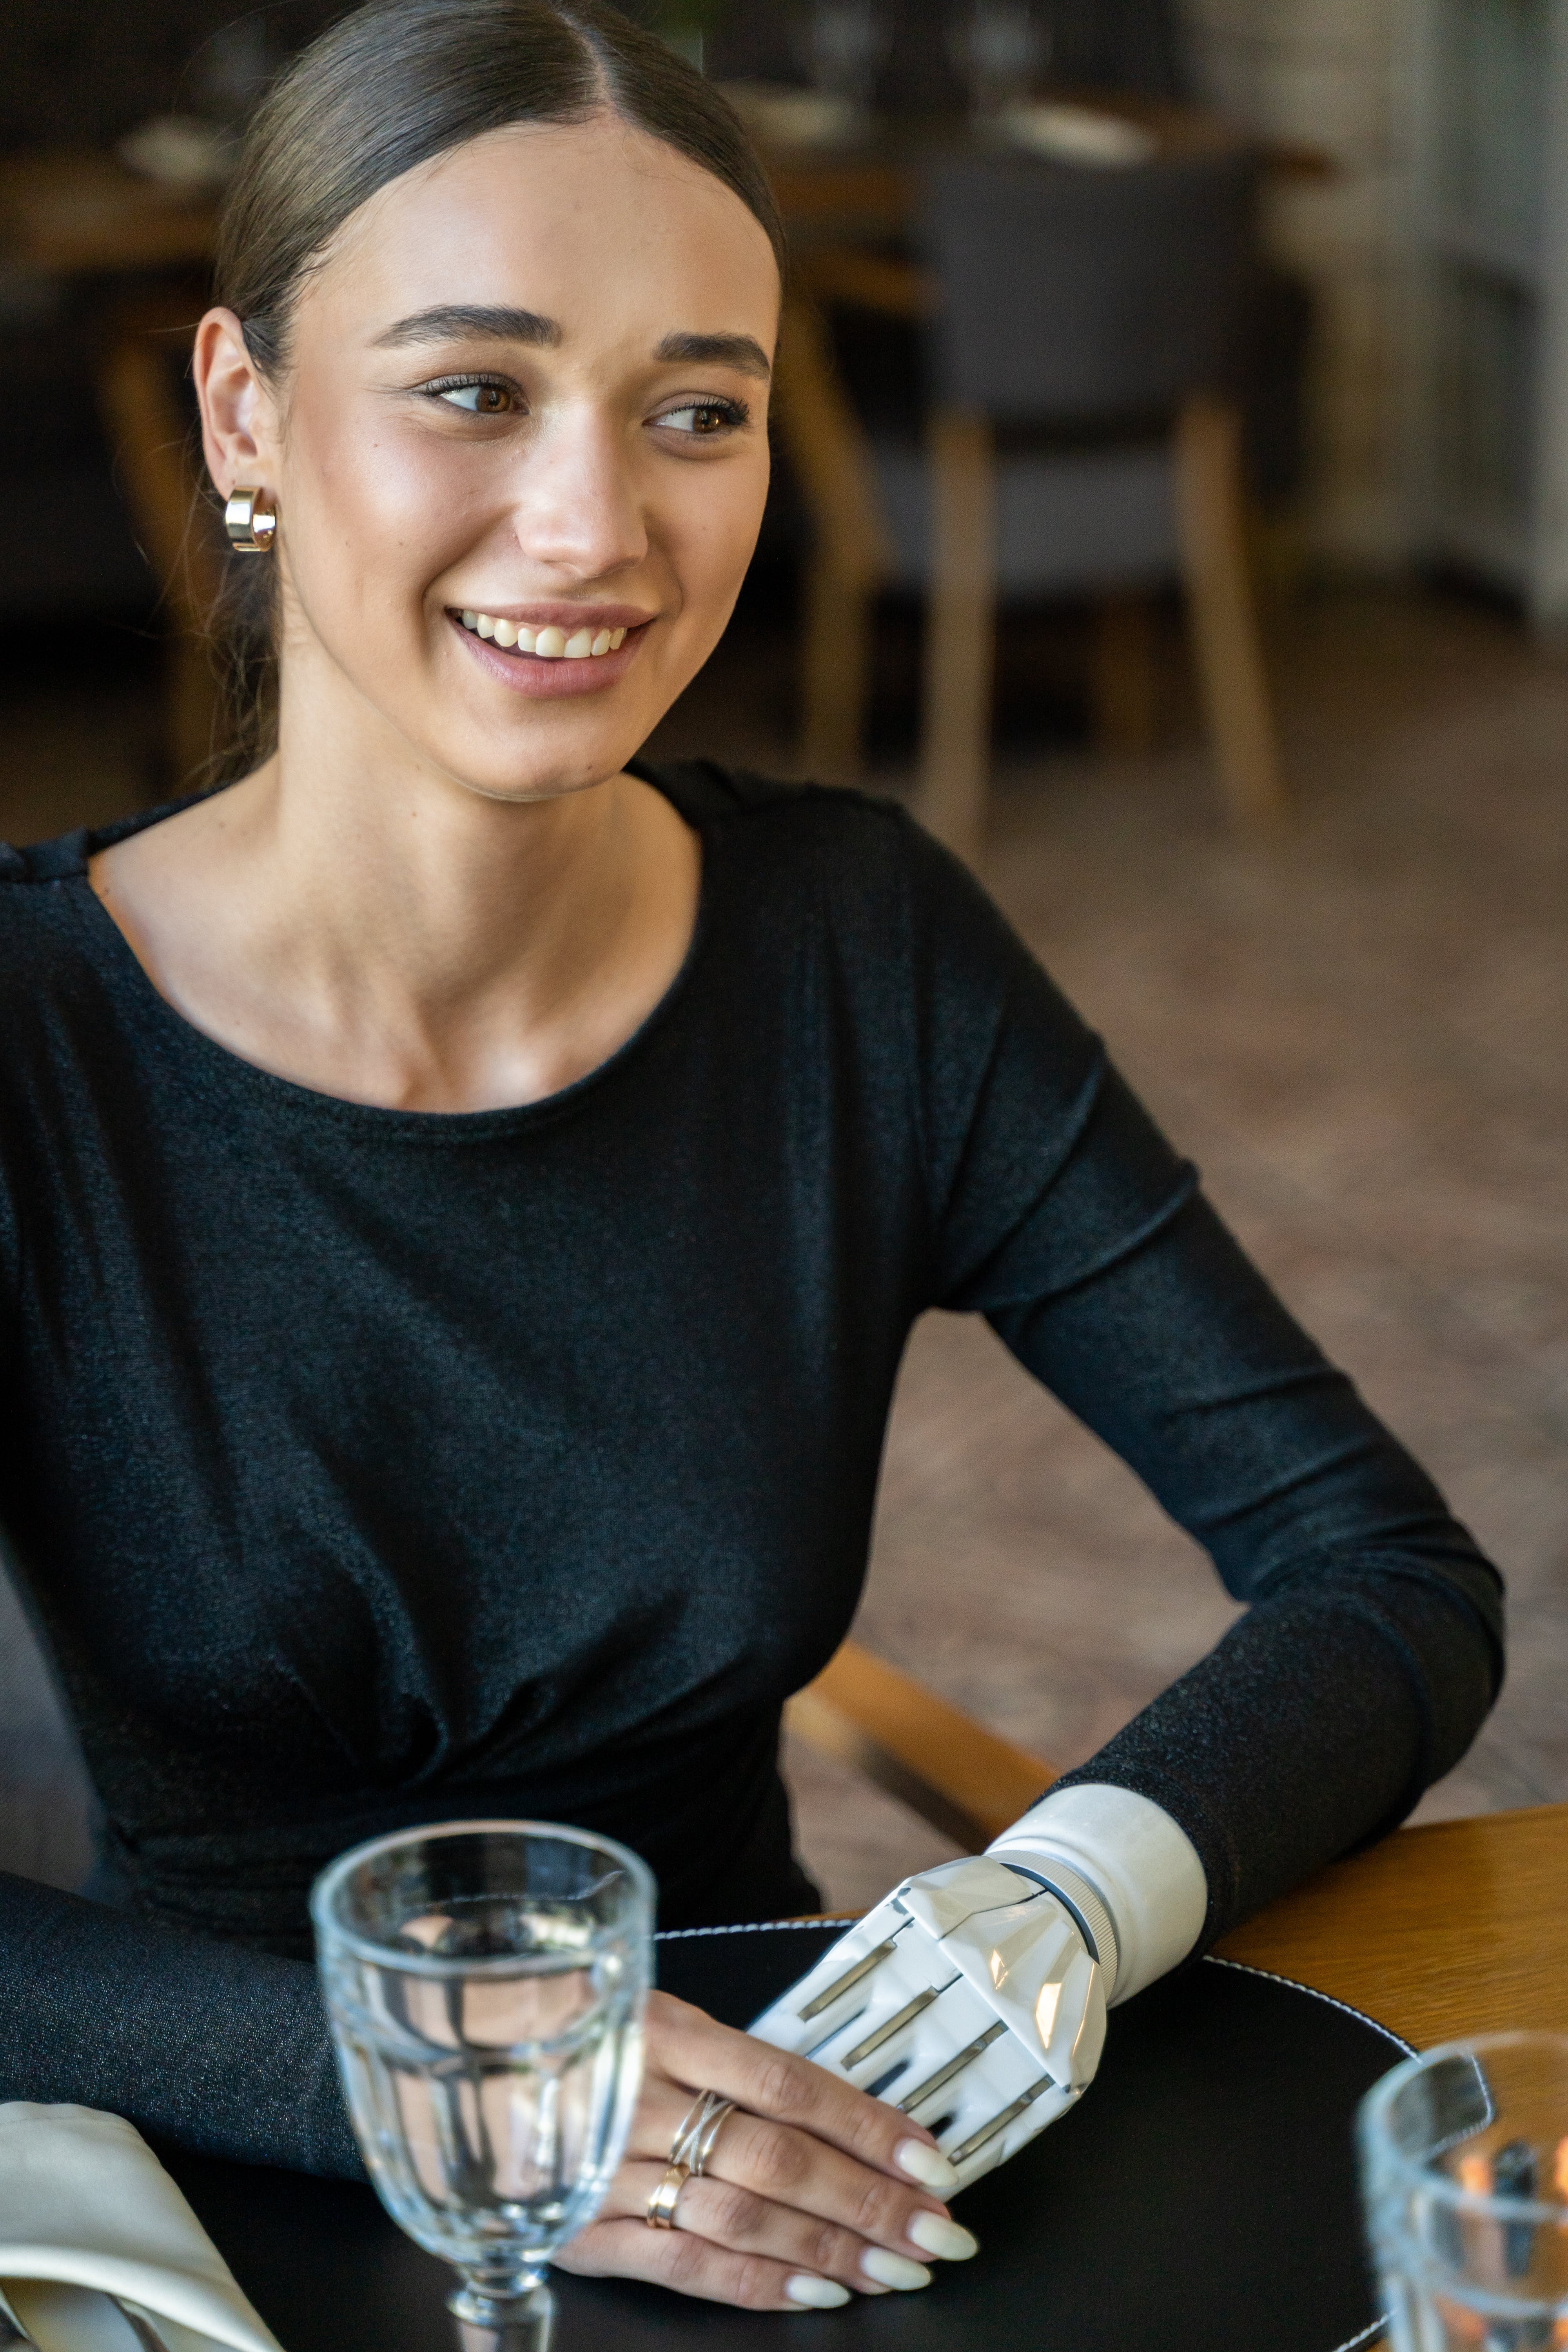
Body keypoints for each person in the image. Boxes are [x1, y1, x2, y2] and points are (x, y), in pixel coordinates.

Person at [0, 0, 1501, 2315]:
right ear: (244, 413)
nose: (597, 526)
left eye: (696, 410)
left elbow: (1385, 1572)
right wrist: (439, 2094)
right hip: (230, 2191)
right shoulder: (27, 1038)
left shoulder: (858, 947)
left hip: (806, 2158)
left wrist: (1076, 1885)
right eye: (473, 388)